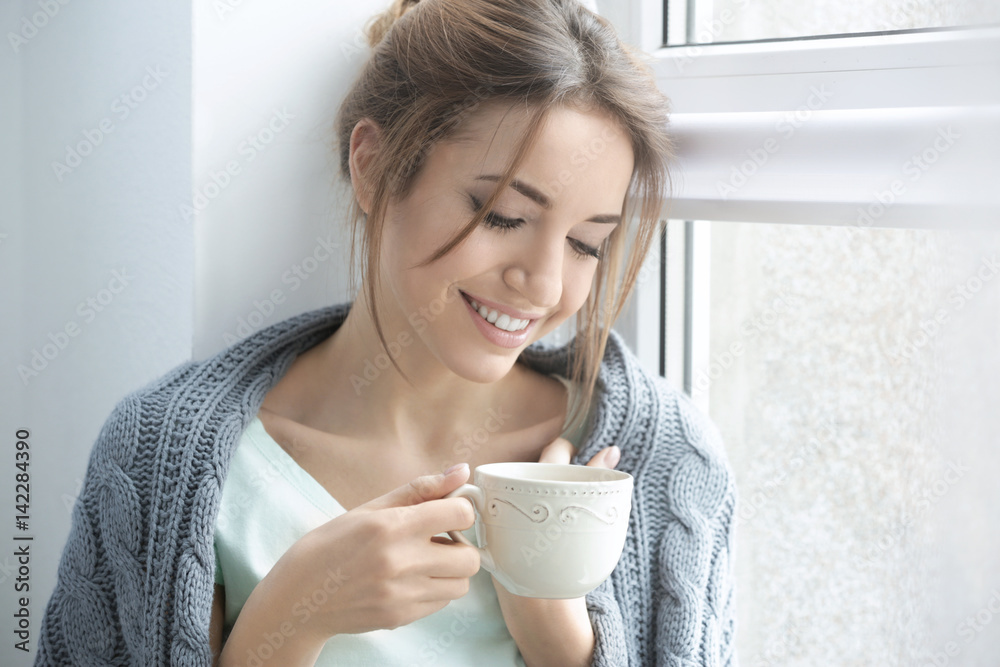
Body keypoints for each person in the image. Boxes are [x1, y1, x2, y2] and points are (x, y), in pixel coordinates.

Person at [34, 0, 738, 665]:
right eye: (501, 216)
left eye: (587, 244)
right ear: (372, 165)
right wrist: (289, 616)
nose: (547, 284)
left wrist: (560, 634)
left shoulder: (666, 465)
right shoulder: (162, 460)